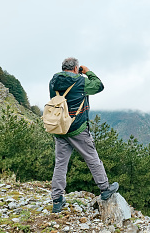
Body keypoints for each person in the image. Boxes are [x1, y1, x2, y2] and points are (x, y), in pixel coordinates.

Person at [48, 57, 118, 213]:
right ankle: (105, 188)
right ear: (75, 68)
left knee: (60, 163)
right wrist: (87, 72)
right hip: (77, 128)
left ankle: (57, 200)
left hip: (60, 128)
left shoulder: (53, 81)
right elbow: (99, 86)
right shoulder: (80, 82)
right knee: (92, 158)